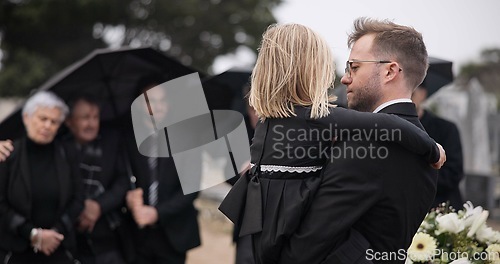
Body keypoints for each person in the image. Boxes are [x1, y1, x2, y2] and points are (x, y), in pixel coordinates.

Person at [218, 23, 445, 264]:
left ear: (390, 71)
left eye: (354, 67)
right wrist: (433, 148)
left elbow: (306, 247)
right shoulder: (401, 139)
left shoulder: (365, 143)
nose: (344, 78)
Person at [0, 91, 84, 264]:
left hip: (58, 247)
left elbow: (78, 198)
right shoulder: (8, 154)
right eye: (42, 118)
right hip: (17, 251)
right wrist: (32, 234)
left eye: (54, 122)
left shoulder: (67, 154)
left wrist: (54, 233)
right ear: (26, 118)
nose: (47, 126)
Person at [125, 75, 201, 264]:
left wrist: (156, 213)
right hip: (135, 234)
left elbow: (191, 188)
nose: (157, 106)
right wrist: (130, 198)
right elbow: (121, 178)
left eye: (162, 100)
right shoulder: (128, 139)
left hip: (173, 233)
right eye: (150, 101)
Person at [63, 96, 131, 264]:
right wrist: (79, 206)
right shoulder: (58, 147)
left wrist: (99, 205)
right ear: (69, 121)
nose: (92, 124)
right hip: (68, 238)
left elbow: (123, 180)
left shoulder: (112, 142)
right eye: (85, 118)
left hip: (108, 237)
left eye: (95, 117)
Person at [412, 82, 464, 210]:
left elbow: (453, 174)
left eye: (412, 94)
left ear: (423, 94)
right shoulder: (389, 131)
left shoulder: (446, 129)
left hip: (441, 208)